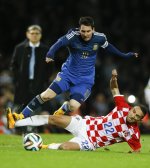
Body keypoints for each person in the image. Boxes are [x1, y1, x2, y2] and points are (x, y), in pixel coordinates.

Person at [9, 16, 138, 121]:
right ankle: (21, 115)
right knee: (47, 95)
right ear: (79, 29)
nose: (86, 34)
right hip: (68, 75)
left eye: (88, 31)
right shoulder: (73, 36)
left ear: (93, 29)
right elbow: (59, 43)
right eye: (83, 31)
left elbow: (109, 47)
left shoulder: (100, 38)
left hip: (85, 80)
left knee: (73, 106)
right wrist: (50, 54)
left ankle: (63, 109)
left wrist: (124, 55)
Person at [7, 69, 148, 153]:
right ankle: (16, 123)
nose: (133, 115)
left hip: (90, 142)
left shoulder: (133, 133)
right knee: (54, 119)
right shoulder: (123, 107)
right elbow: (114, 89)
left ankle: (41, 146)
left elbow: (137, 150)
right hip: (86, 124)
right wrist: (113, 79)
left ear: (140, 120)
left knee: (66, 147)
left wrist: (132, 154)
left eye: (137, 116)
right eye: (134, 111)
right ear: (131, 108)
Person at [10, 25, 51, 111]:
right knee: (19, 109)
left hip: (39, 85)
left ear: (40, 35)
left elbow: (50, 68)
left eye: (37, 33)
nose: (34, 35)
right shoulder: (20, 48)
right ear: (27, 34)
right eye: (32, 33)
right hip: (22, 85)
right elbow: (13, 66)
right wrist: (18, 79)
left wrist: (44, 80)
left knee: (38, 109)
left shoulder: (46, 50)